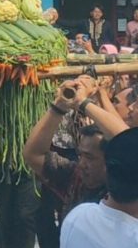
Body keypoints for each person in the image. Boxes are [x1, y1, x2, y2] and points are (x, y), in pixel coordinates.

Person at [24, 94, 107, 223]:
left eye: (90, 157)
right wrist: (58, 107)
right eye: (80, 155)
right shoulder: (75, 176)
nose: (82, 164)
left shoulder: (124, 190)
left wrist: (86, 102)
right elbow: (33, 155)